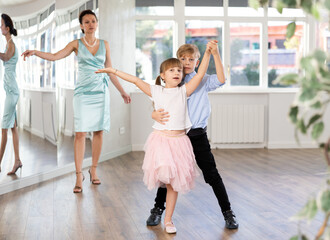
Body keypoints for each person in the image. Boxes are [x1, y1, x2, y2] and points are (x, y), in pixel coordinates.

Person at [96, 41, 214, 233]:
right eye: (172, 70)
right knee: (167, 180)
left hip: (180, 142)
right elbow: (134, 80)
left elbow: (200, 74)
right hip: (161, 142)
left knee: (174, 184)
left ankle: (168, 220)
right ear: (162, 76)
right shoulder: (156, 90)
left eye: (179, 70)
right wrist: (113, 71)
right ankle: (163, 215)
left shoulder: (184, 91)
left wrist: (208, 52)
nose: (177, 73)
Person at [21, 10, 131, 193]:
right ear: (81, 25)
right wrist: (36, 52)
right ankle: (78, 175)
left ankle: (93, 170)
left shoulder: (105, 44)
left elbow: (110, 71)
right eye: (86, 22)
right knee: (80, 134)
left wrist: (122, 91)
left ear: (97, 23)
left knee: (98, 132)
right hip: (82, 93)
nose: (90, 24)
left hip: (100, 93)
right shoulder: (76, 44)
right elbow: (55, 56)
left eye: (93, 21)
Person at [146, 43, 239, 229]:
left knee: (212, 174)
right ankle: (157, 209)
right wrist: (154, 113)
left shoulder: (201, 80)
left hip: (196, 136)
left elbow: (221, 78)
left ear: (197, 62)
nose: (187, 62)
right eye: (183, 59)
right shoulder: (174, 80)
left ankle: (228, 212)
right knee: (167, 176)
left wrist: (215, 54)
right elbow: (159, 101)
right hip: (175, 138)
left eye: (191, 59)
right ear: (176, 61)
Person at [0, 14, 22, 175]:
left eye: (1, 25)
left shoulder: (11, 45)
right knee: (13, 128)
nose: (0, 27)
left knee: (3, 130)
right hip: (11, 91)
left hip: (12, 93)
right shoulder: (8, 43)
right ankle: (17, 161)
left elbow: (7, 57)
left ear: (7, 28)